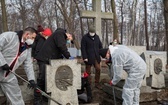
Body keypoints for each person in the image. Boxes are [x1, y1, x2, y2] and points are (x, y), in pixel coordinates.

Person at [34, 28, 74, 105]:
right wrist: (68, 56)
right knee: (42, 79)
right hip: (44, 58)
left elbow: (57, 50)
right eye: (70, 39)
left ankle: (45, 97)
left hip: (49, 59)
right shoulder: (60, 33)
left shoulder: (59, 35)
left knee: (47, 79)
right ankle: (37, 100)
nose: (68, 41)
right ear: (69, 35)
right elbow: (61, 46)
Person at [0, 27, 37, 105]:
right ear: (27, 34)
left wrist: (31, 79)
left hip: (8, 76)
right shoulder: (9, 36)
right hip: (1, 69)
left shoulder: (27, 48)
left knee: (17, 98)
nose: (33, 40)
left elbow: (28, 64)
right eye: (33, 37)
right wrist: (2, 62)